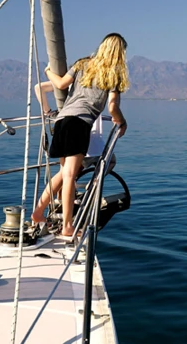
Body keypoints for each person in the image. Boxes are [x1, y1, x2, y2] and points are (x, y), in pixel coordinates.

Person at [31, 33, 129, 238]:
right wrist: (122, 121)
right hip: (79, 125)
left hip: (61, 122)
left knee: (63, 174)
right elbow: (112, 107)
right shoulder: (113, 77)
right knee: (69, 176)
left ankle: (38, 212)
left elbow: (59, 85)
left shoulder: (83, 64)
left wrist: (48, 71)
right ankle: (67, 226)